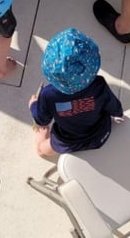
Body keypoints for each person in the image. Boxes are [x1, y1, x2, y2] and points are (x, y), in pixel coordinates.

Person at [29, 28, 123, 158]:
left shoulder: (48, 95)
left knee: (41, 151)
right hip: (101, 133)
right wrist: (118, 115)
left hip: (68, 141)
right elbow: (116, 108)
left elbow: (41, 119)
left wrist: (33, 105)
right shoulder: (99, 84)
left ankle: (40, 140)